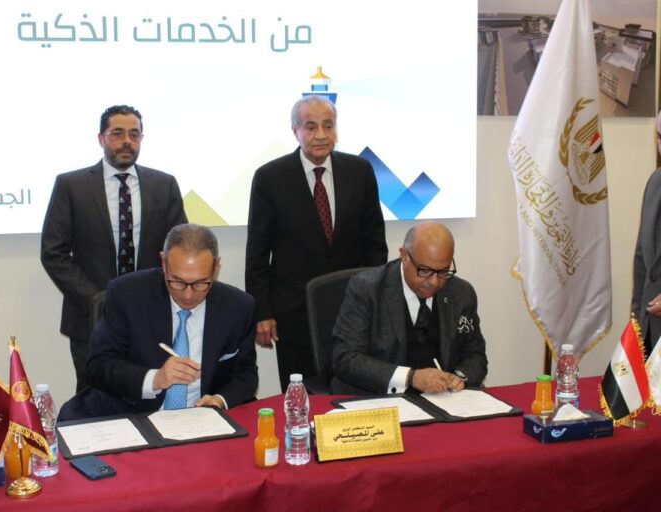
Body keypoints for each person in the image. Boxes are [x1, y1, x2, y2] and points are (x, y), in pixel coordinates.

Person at [245, 95, 388, 391]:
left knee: (355, 394)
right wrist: (263, 312)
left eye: (328, 125)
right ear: (295, 131)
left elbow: (375, 244)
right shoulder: (270, 178)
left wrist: (377, 301)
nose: (321, 135)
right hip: (294, 317)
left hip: (353, 312)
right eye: (311, 127)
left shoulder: (360, 171)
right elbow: (257, 253)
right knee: (302, 399)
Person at [41, 105, 187, 392]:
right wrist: (98, 299)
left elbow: (178, 249)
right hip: (90, 318)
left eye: (134, 134)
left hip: (150, 315)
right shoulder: (71, 185)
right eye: (117, 133)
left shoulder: (164, 184)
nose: (127, 141)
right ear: (101, 138)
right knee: (94, 399)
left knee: (149, 394)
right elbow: (53, 252)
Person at [58, 224, 258, 420]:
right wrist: (155, 378)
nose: (188, 295)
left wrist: (219, 400)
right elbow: (98, 367)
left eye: (200, 283)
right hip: (133, 414)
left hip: (200, 421)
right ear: (164, 263)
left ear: (216, 267)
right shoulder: (127, 295)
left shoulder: (238, 307)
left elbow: (246, 374)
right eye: (177, 282)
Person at [331, 221, 487, 395]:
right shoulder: (367, 289)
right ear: (404, 255)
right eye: (425, 270)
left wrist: (459, 377)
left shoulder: (461, 293)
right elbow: (346, 358)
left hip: (442, 399)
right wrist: (410, 377)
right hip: (377, 398)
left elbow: (475, 355)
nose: (435, 281)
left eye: (443, 271)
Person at [632, 111, 661, 356]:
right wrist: (636, 324)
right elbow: (642, 260)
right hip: (651, 330)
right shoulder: (655, 183)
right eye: (660, 137)